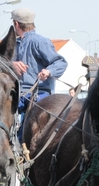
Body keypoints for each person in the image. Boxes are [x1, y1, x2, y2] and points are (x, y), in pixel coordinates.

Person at [11, 7, 68, 141]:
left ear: (16, 24)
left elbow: (61, 62)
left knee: (36, 132)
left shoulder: (39, 41)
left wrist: (48, 71)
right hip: (19, 94)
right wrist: (11, 65)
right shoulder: (14, 44)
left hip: (39, 94)